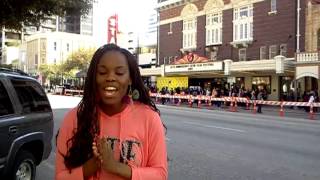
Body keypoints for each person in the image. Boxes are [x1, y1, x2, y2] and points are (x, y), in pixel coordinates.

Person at [55, 44, 168, 180]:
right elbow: (60, 176)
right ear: (94, 78)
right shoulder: (75, 118)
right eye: (102, 72)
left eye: (119, 73)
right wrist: (91, 166)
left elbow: (160, 175)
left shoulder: (149, 118)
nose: (110, 78)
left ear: (130, 78)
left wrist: (115, 166)